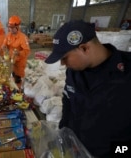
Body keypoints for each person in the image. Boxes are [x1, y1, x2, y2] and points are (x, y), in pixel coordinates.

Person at [45, 20, 131, 158]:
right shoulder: (73, 72)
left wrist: (116, 151)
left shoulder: (126, 74)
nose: (62, 63)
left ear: (84, 48)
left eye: (65, 57)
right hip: (78, 150)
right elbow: (68, 101)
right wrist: (64, 135)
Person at [2, 15, 30, 89]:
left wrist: (19, 53)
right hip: (12, 60)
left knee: (18, 78)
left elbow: (27, 51)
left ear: (17, 27)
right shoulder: (8, 35)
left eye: (12, 28)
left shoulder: (23, 38)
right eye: (9, 27)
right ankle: (14, 88)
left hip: (20, 62)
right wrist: (4, 46)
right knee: (13, 75)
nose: (10, 29)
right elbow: (5, 43)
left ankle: (19, 92)